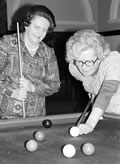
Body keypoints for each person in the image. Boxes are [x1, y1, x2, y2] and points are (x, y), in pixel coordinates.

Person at [0, 5, 60, 119]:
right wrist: (11, 92)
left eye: (44, 29)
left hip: (37, 115)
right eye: (37, 27)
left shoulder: (48, 52)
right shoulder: (7, 43)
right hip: (7, 116)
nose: (40, 33)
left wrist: (33, 87)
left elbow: (55, 85)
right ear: (26, 24)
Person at [66, 29, 120, 135]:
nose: (84, 67)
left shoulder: (113, 63)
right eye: (79, 61)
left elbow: (106, 93)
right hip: (103, 116)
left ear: (100, 57)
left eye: (89, 61)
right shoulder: (74, 68)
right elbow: (92, 85)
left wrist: (90, 123)